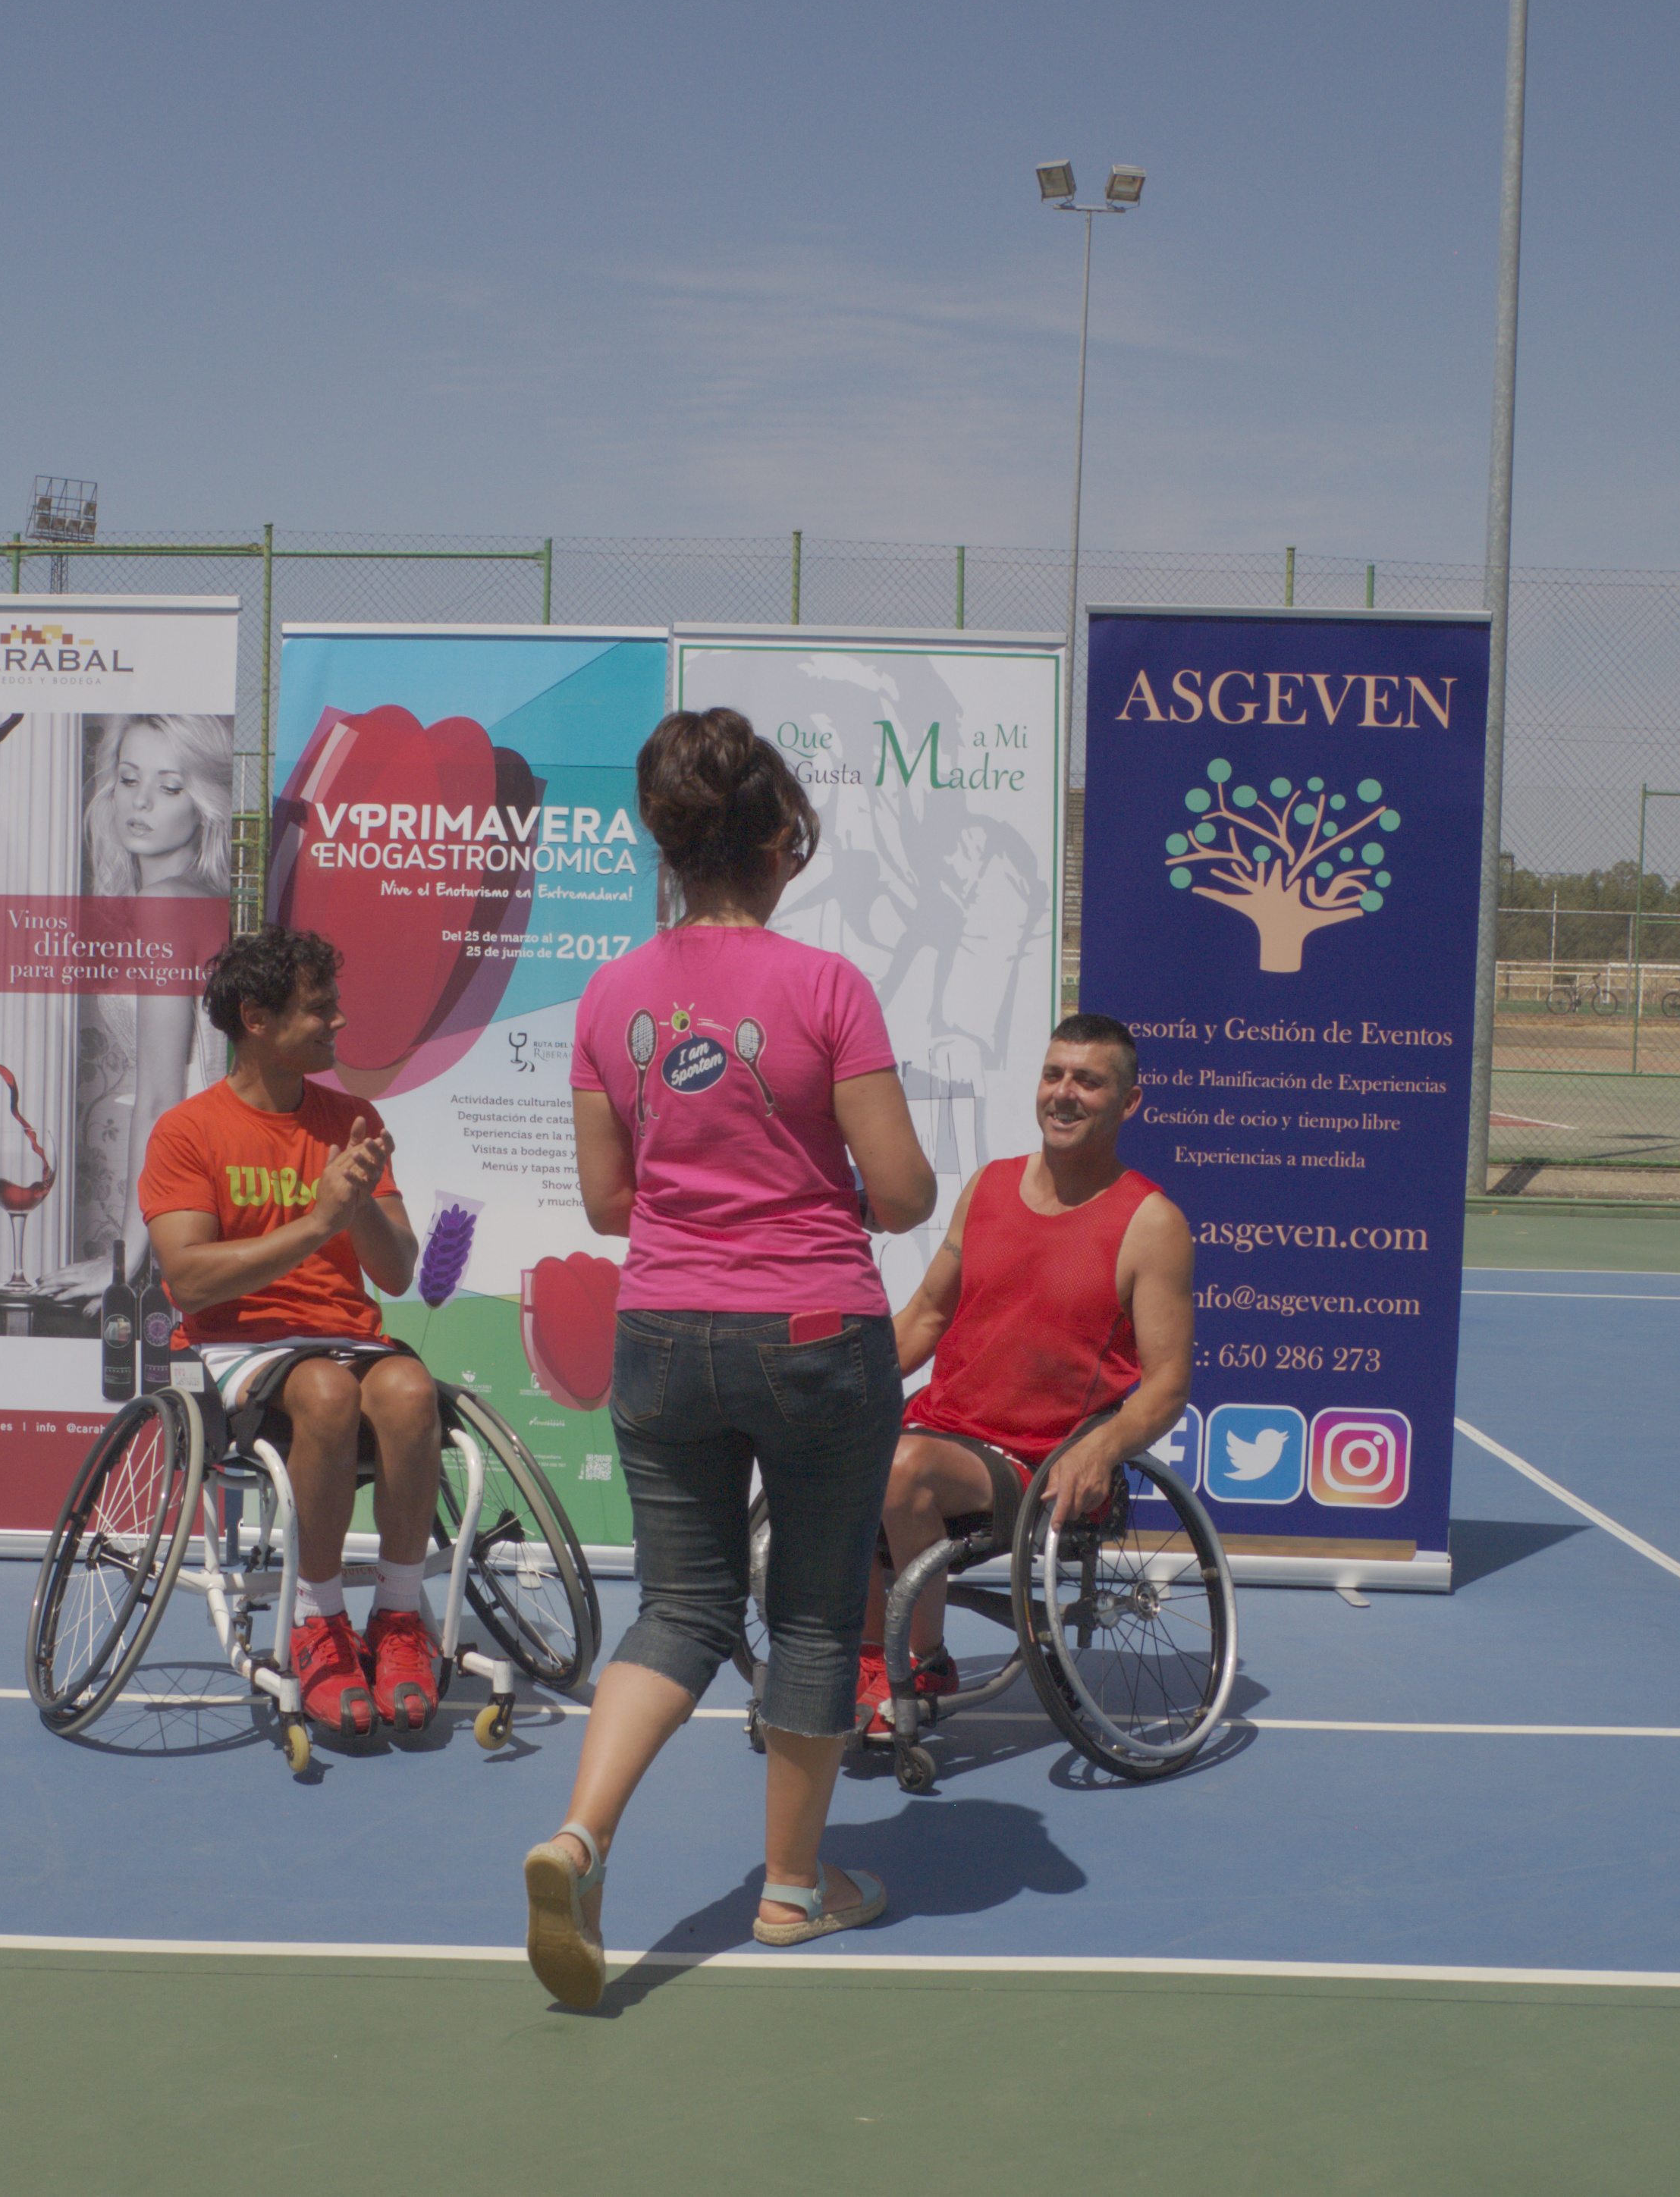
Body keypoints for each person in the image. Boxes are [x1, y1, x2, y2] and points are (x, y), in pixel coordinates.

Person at [520, 708, 937, 2009]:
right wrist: (826, 1196)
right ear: (774, 840)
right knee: (811, 1612)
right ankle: (791, 1891)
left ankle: (579, 1836)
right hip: (815, 1332)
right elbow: (906, 1192)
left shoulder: (609, 995)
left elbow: (609, 1203)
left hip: (661, 1332)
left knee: (681, 1607)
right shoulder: (826, 988)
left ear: (669, 843)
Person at [137, 924, 447, 1739]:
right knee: (325, 1390)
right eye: (319, 1008)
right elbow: (189, 1279)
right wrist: (316, 1225)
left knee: (410, 1389)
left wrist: (358, 1206)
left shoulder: (353, 1119)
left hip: (346, 1337)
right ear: (256, 1019)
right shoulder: (187, 1132)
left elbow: (397, 1271)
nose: (338, 1021)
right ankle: (317, 1619)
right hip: (237, 1348)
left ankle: (400, 1619)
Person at [865, 1014, 1195, 1731]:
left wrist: (1102, 1447)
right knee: (831, 1452)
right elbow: (925, 1316)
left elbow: (1169, 1384)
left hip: (1035, 1462)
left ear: (1129, 1102)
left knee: (898, 1467)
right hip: (936, 1431)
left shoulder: (1152, 1224)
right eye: (1054, 1075)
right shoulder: (988, 1186)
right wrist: (833, 1384)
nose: (1064, 1093)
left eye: (1088, 1081)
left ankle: (921, 1661)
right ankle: (862, 1662)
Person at [78, 713, 237, 1282]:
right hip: (213, 1173)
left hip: (196, 1182)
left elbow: (162, 1100)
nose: (140, 801)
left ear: (205, 803)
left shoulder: (167, 903)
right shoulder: (203, 897)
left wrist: (124, 1260)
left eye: (169, 787)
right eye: (129, 779)